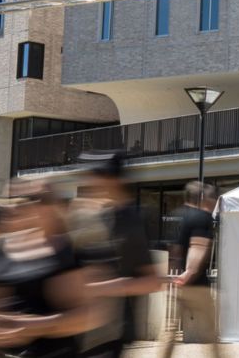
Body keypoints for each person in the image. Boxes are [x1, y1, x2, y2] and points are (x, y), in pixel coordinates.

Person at [0, 178, 111, 357]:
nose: (14, 207)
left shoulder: (64, 251)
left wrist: (33, 326)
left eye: (31, 199)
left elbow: (90, 315)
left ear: (51, 208)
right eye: (10, 199)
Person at [79, 152, 165, 357]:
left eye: (94, 176)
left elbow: (152, 281)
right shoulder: (90, 215)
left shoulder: (131, 220)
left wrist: (100, 288)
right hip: (79, 328)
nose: (88, 181)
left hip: (109, 333)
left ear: (111, 180)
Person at [159, 181, 221, 358]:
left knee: (171, 331)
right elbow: (198, 246)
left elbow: (174, 251)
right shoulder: (202, 217)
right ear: (201, 197)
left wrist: (175, 276)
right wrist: (190, 272)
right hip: (197, 285)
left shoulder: (175, 215)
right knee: (210, 330)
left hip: (177, 283)